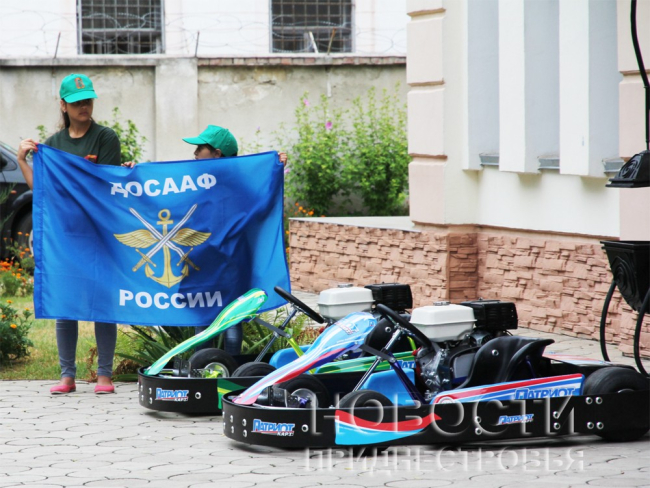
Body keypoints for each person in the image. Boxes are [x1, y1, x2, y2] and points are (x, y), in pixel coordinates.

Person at [17, 73, 121, 395]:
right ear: (63, 106)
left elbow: (107, 186)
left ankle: (104, 375)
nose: (83, 106)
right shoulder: (53, 145)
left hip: (98, 233)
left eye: (87, 100)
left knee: (102, 301)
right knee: (64, 302)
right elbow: (44, 190)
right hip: (64, 235)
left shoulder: (105, 138)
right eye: (76, 102)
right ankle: (67, 376)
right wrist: (22, 159)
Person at [181, 125, 287, 355]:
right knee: (206, 316)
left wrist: (275, 170)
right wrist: (131, 174)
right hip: (205, 261)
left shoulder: (236, 186)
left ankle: (226, 369)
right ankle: (205, 368)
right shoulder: (196, 182)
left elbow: (262, 206)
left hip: (230, 263)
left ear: (217, 154)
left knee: (229, 318)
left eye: (200, 148)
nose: (195, 153)